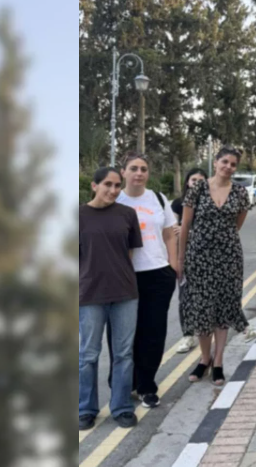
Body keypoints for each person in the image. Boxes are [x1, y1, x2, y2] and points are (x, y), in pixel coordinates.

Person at [178, 147, 251, 387]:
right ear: (216, 162)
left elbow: (236, 225)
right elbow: (185, 225)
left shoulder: (240, 192)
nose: (228, 167)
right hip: (199, 259)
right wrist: (181, 260)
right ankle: (204, 358)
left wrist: (221, 241)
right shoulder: (197, 189)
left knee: (223, 309)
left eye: (233, 164)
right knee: (201, 310)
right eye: (225, 162)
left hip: (229, 259)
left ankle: (218, 361)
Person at [79, 167, 142, 431]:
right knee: (87, 355)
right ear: (94, 186)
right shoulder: (78, 216)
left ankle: (122, 407)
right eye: (108, 184)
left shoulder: (127, 214)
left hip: (125, 294)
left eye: (117, 185)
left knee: (124, 354)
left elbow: (129, 254)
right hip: (90, 295)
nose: (113, 190)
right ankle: (85, 409)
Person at [115, 154, 179, 410]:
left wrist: (173, 265)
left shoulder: (158, 199)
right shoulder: (115, 199)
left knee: (153, 333)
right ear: (123, 172)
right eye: (133, 168)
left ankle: (147, 386)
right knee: (124, 334)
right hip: (124, 276)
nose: (139, 173)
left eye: (143, 169)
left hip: (157, 273)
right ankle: (124, 383)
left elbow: (169, 234)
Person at [171, 168, 207, 354]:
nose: (197, 184)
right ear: (187, 182)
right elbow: (173, 229)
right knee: (185, 297)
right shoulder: (178, 203)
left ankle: (207, 333)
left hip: (207, 257)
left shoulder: (211, 203)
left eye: (201, 180)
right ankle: (188, 335)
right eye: (194, 180)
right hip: (184, 255)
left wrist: (189, 232)